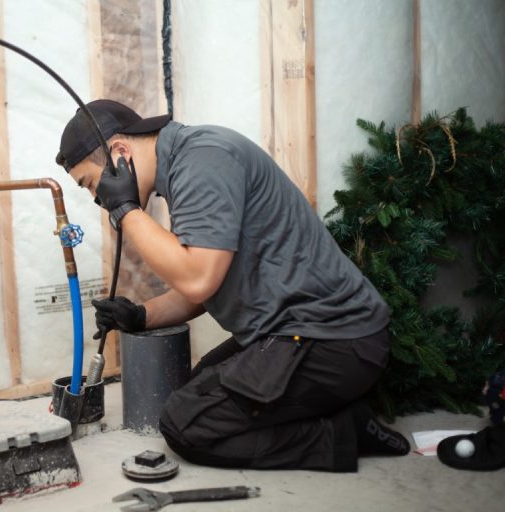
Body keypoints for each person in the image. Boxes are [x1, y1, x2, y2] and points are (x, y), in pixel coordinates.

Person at [55, 99, 410, 472]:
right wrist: (141, 316)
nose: (99, 199)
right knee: (198, 388)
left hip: (333, 340)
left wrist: (126, 211)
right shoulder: (187, 163)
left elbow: (198, 279)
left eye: (92, 184)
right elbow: (210, 281)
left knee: (184, 425)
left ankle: (342, 432)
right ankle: (327, 408)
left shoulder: (202, 162)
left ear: (120, 154)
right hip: (300, 331)